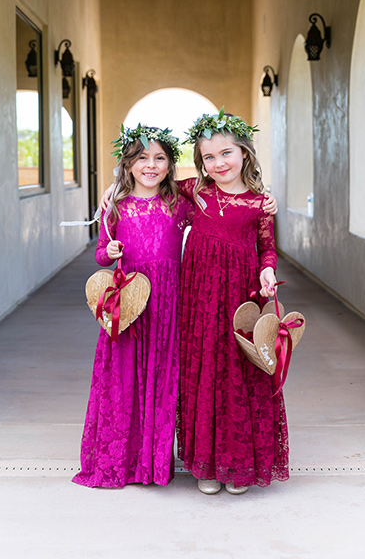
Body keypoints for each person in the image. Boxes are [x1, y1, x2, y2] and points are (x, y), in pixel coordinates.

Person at [72, 125, 194, 488]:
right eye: (142, 158)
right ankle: (122, 460)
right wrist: (107, 253)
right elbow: (99, 255)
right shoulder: (116, 207)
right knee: (125, 377)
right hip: (128, 303)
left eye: (160, 159)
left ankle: (154, 464)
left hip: (168, 300)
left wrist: (264, 201)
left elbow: (214, 203)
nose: (151, 166)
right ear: (128, 165)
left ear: (171, 166)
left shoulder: (179, 204)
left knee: (162, 376)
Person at [176, 109, 288, 495]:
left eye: (226, 153)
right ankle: (206, 464)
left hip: (241, 292)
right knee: (205, 366)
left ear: (244, 152)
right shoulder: (196, 191)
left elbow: (267, 249)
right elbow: (149, 185)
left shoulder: (260, 204)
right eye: (209, 157)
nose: (218, 163)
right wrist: (111, 189)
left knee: (237, 371)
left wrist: (267, 271)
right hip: (200, 294)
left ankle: (237, 463)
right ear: (200, 163)